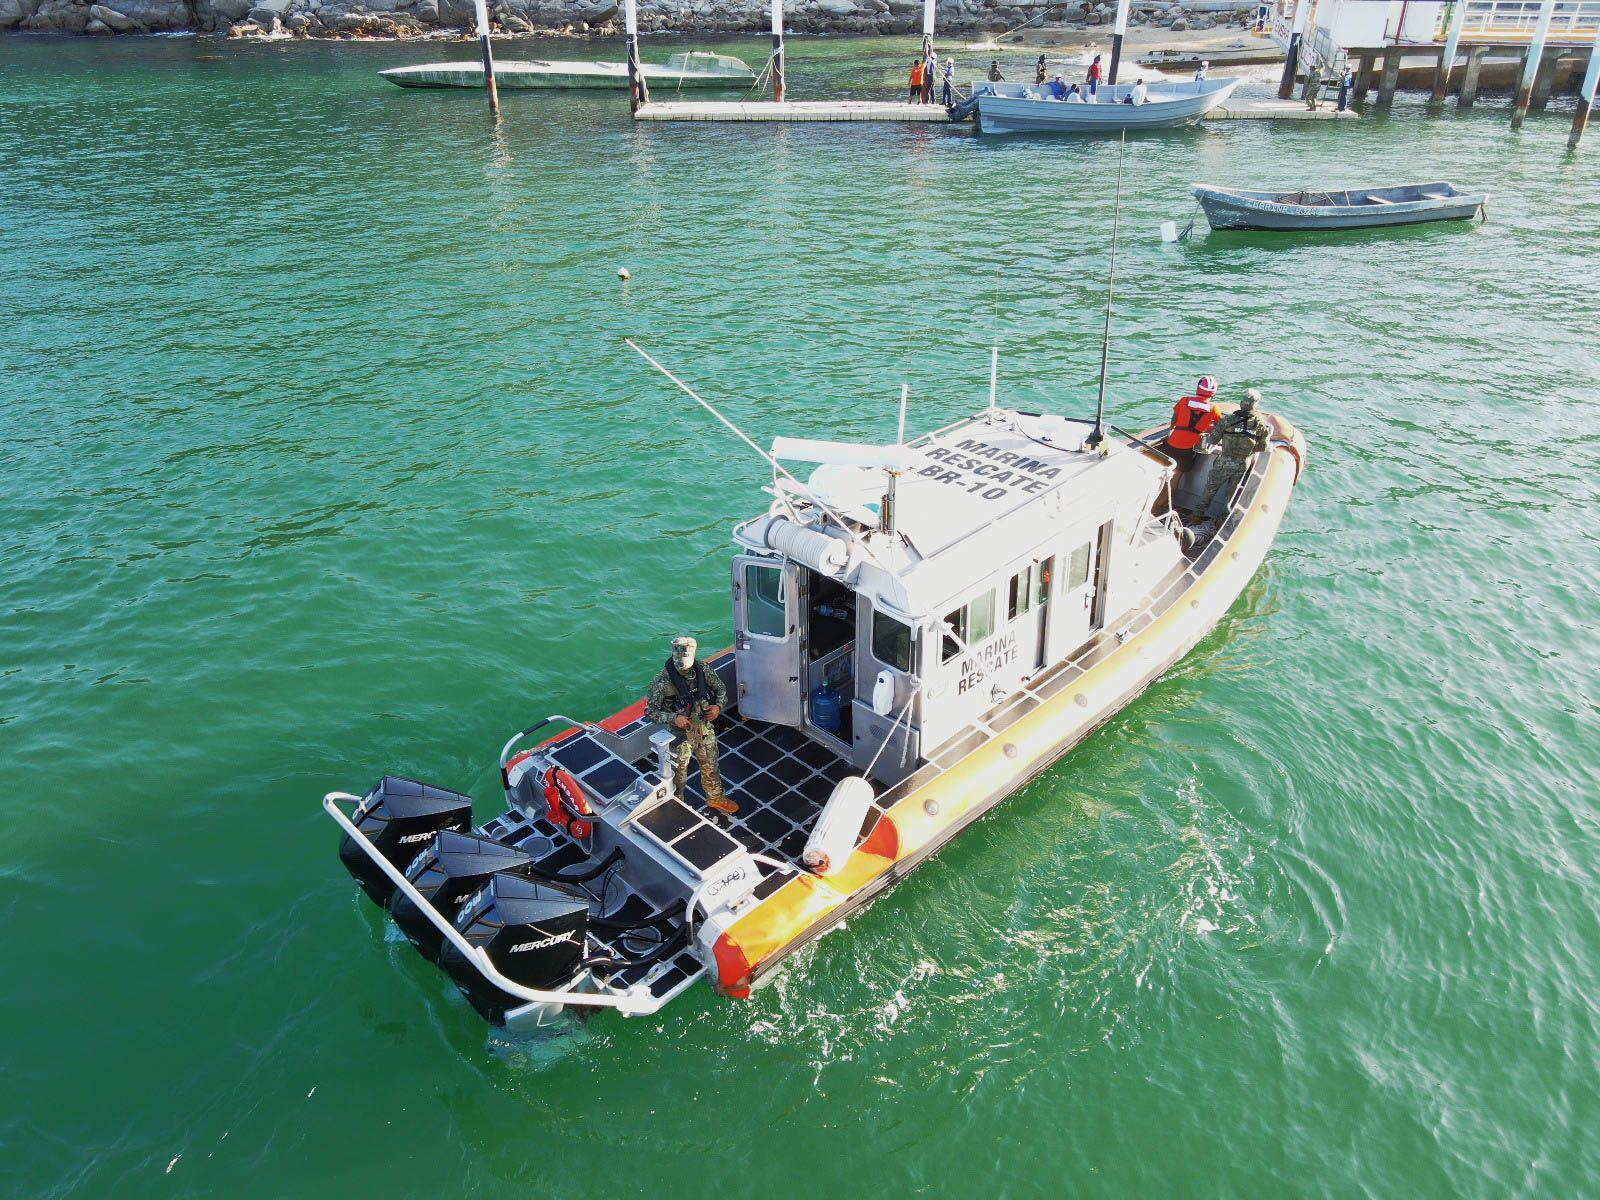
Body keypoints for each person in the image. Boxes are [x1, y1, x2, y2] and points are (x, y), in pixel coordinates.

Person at [646, 636, 735, 816]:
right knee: (678, 772)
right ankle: (676, 801)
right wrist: (673, 717)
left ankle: (715, 798)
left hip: (703, 727)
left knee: (711, 764)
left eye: (685, 660)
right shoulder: (662, 683)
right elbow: (650, 712)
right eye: (678, 660)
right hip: (680, 734)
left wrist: (718, 706)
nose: (681, 664)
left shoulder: (703, 671)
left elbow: (721, 690)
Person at [1198, 389, 1272, 517]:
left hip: (1223, 460)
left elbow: (1214, 439)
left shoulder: (1227, 420)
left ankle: (1196, 515)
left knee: (1210, 489)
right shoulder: (1260, 425)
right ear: (1255, 405)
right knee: (1231, 496)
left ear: (1241, 402)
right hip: (1243, 463)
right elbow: (1263, 447)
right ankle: (1221, 521)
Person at [1165, 375, 1221, 471]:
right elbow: (1219, 426)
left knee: (1165, 469)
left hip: (1171, 443)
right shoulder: (1214, 409)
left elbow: (1175, 418)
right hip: (1189, 448)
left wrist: (1171, 428)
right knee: (1178, 472)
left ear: (1198, 389)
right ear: (1213, 394)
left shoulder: (1184, 400)